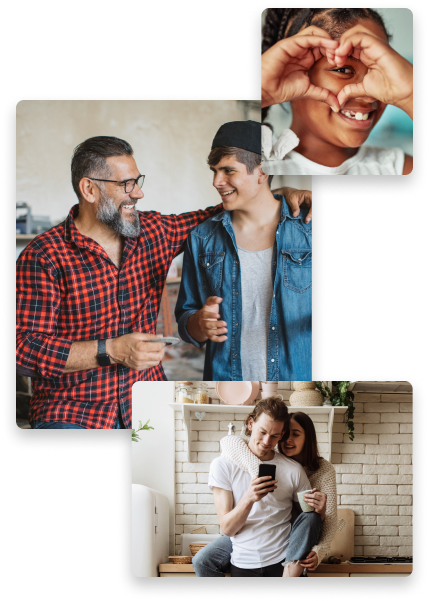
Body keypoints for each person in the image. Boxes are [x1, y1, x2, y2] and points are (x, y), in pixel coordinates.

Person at [16, 135, 226, 429]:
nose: (138, 193)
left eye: (138, 181)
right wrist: (111, 350)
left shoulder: (154, 231)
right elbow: (25, 349)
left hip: (146, 397)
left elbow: (213, 215)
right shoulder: (44, 256)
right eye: (126, 184)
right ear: (89, 189)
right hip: (72, 410)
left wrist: (278, 193)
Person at [175, 120, 312, 380]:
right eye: (214, 171)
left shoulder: (308, 228)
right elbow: (186, 320)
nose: (217, 181)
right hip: (226, 387)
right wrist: (200, 324)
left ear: (263, 171)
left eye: (228, 171)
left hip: (298, 387)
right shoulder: (202, 238)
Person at [261, 7, 413, 175]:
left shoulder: (398, 168)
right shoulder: (253, 165)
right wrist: (263, 92)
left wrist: (411, 95)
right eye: (343, 70)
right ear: (291, 73)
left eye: (380, 72)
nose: (370, 96)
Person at [193, 408, 341, 577]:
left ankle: (290, 571)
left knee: (311, 516)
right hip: (251, 533)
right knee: (202, 560)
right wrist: (255, 470)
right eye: (284, 435)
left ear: (308, 438)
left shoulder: (320, 470)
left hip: (290, 532)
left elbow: (325, 522)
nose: (287, 440)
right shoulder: (266, 452)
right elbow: (230, 443)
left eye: (296, 434)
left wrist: (319, 549)